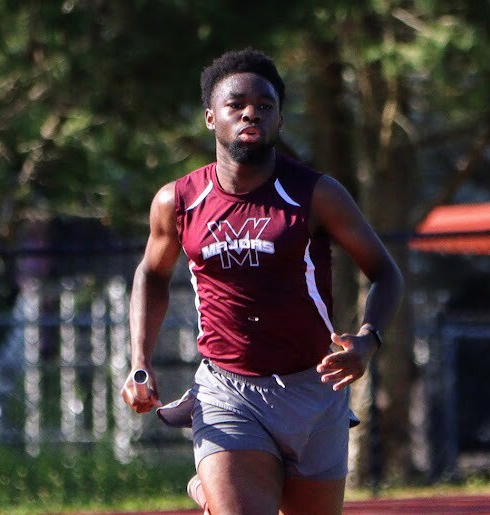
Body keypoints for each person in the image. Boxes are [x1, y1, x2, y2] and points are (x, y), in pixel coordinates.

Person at [121, 48, 404, 515]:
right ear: (212, 118)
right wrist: (139, 361)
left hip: (315, 388)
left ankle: (211, 489)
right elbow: (151, 273)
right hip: (228, 390)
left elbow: (385, 273)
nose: (251, 112)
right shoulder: (178, 201)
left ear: (279, 122)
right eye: (236, 104)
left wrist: (368, 341)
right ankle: (223, 483)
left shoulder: (317, 194)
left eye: (266, 106)